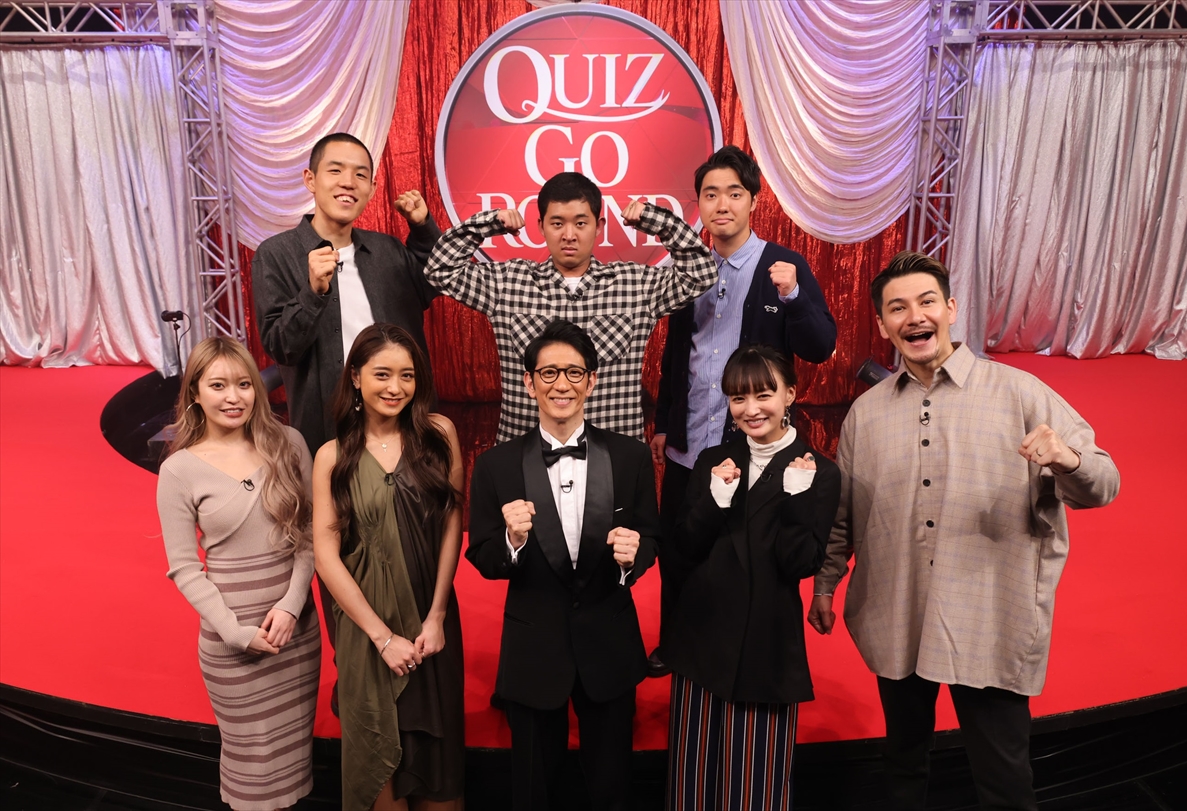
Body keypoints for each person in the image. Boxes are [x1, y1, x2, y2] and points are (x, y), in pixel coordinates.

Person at [808, 252, 1121, 810]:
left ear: (950, 308)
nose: (914, 316)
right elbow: (844, 515)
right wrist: (826, 584)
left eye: (927, 301)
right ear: (882, 324)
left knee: (1003, 779)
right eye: (897, 308)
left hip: (988, 615)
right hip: (897, 610)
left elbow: (1105, 483)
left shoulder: (1019, 392)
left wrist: (1067, 459)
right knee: (902, 765)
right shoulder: (866, 414)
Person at [649, 145, 836, 676]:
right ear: (700, 205)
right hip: (690, 441)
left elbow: (821, 346)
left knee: (743, 552)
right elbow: (676, 354)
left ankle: (734, 649)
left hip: (751, 445)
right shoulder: (687, 269)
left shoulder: (783, 266)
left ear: (753, 200)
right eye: (711, 194)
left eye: (734, 193)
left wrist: (793, 295)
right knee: (679, 548)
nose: (722, 204)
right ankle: (675, 643)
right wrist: (664, 422)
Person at [466, 320, 658, 810]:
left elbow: (650, 538)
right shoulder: (495, 465)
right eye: (548, 373)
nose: (561, 384)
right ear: (528, 382)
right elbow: (483, 556)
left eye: (574, 372)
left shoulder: (631, 457)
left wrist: (633, 559)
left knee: (612, 789)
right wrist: (510, 540)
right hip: (533, 650)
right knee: (533, 791)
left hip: (609, 647)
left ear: (592, 381)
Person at [657, 344, 839, 810]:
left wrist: (796, 498)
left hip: (765, 645)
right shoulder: (713, 459)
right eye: (739, 398)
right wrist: (715, 499)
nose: (751, 409)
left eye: (763, 394)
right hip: (701, 638)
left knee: (756, 787)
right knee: (691, 784)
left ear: (790, 394)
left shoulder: (817, 471)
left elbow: (799, 564)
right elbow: (684, 547)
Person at [425, 171, 718, 443]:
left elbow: (701, 274)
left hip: (615, 459)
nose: (569, 235)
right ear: (541, 226)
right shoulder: (507, 282)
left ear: (598, 227)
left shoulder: (636, 285)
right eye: (557, 223)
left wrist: (656, 220)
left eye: (580, 223)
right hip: (525, 458)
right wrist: (490, 223)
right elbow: (439, 270)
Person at [156, 336, 320, 811]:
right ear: (195, 392)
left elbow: (310, 533)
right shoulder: (179, 470)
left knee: (294, 764)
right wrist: (234, 632)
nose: (234, 397)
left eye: (244, 384)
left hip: (295, 633)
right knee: (253, 767)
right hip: (232, 642)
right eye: (218, 385)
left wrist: (292, 605)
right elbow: (184, 568)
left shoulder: (289, 443)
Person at [311, 324, 465, 810]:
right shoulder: (332, 457)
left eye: (407, 375)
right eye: (382, 374)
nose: (395, 387)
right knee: (379, 769)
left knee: (441, 777)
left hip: (430, 627)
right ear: (356, 377)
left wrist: (437, 616)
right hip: (367, 632)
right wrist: (381, 638)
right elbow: (325, 555)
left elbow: (452, 524)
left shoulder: (440, 435)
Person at [253, 132, 441, 457]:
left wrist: (423, 227)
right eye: (335, 170)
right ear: (310, 180)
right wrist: (312, 292)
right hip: (327, 431)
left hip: (403, 424)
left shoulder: (388, 250)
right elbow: (282, 347)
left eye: (360, 175)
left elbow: (435, 281)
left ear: (373, 188)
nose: (348, 182)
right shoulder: (276, 255)